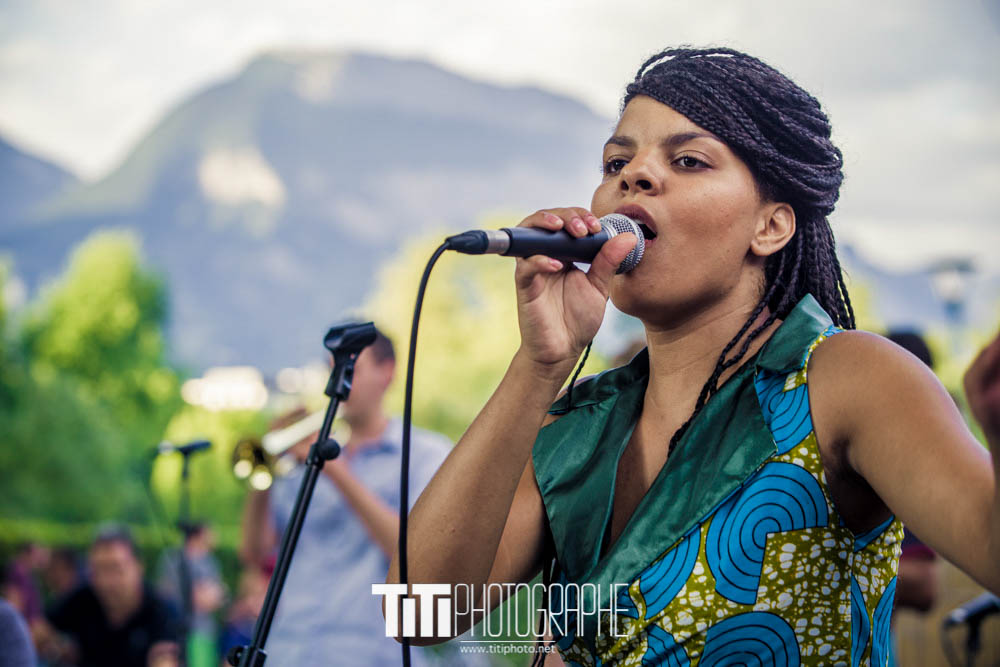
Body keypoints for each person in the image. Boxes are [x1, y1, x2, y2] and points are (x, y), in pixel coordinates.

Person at [386, 47, 1000, 666]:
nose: (634, 175)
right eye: (616, 161)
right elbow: (417, 613)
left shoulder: (844, 379)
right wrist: (540, 366)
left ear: (771, 227)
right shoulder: (576, 425)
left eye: (688, 160)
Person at [240, 328, 451, 665]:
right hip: (288, 647)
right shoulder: (300, 462)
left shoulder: (426, 454)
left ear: (388, 372)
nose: (338, 380)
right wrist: (263, 475)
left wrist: (336, 471)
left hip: (372, 651)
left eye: (352, 369)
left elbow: (414, 554)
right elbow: (255, 552)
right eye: (332, 369)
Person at [39, 525, 181, 667]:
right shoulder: (81, 599)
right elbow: (35, 634)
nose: (106, 580)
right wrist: (57, 650)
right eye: (97, 570)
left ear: (138, 566)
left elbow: (165, 660)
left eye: (115, 568)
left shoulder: (161, 610)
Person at [156, 521, 225, 667]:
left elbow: (219, 594)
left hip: (205, 630)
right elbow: (170, 592)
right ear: (199, 535)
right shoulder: (173, 559)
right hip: (180, 628)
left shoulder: (210, 560)